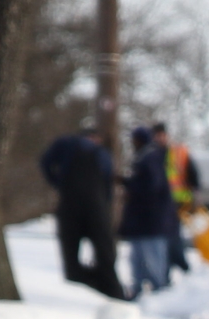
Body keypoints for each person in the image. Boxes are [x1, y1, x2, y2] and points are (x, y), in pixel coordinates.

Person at [37, 127, 125, 300]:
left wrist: (57, 183)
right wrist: (105, 205)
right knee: (105, 250)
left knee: (70, 251)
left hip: (70, 204)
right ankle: (111, 290)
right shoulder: (102, 154)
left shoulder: (66, 144)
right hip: (96, 207)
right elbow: (107, 185)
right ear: (95, 138)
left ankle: (79, 284)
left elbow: (45, 162)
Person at [118, 125, 178, 297]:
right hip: (143, 222)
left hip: (151, 220)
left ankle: (159, 291)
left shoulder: (150, 157)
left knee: (153, 258)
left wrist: (129, 184)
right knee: (138, 258)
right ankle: (141, 288)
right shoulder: (145, 157)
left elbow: (151, 186)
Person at [157, 122, 203, 276]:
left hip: (178, 201)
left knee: (172, 235)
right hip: (163, 202)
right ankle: (175, 264)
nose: (159, 139)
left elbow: (193, 174)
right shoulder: (154, 154)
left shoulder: (178, 152)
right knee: (169, 236)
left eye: (161, 135)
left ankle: (178, 264)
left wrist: (195, 196)